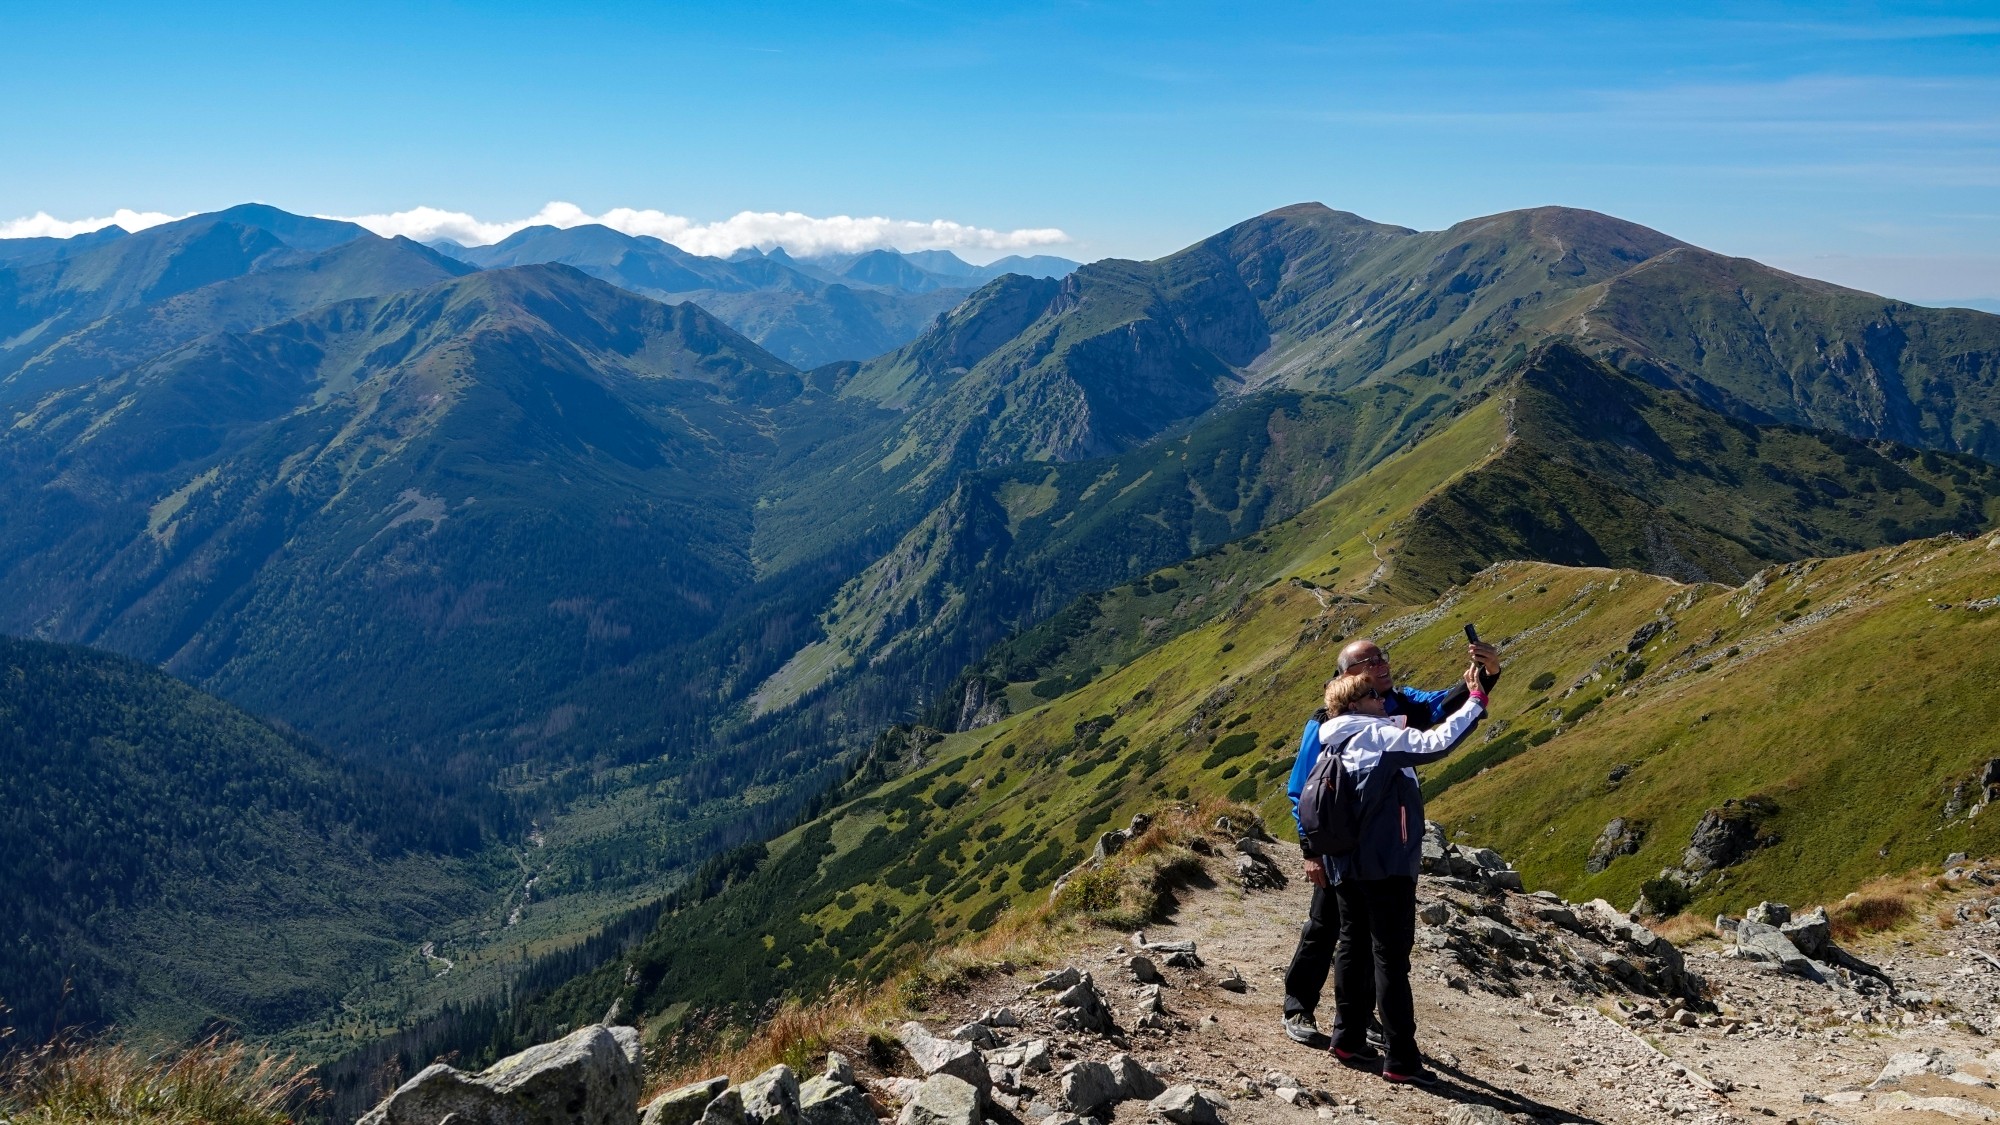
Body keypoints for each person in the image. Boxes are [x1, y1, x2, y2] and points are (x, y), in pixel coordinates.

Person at [1279, 637, 1499, 1047]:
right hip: (1341, 844)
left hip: (1380, 844)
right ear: (1346, 675)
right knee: (1327, 926)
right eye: (1368, 662)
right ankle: (1299, 1006)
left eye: (1382, 657)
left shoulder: (1396, 700)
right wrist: (1312, 850)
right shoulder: (1323, 720)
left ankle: (1358, 1018)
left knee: (1364, 937)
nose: (1380, 665)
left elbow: (1440, 706)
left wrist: (1486, 676)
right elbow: (1303, 791)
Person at [1319, 663, 1489, 1083]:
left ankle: (1347, 1038)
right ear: (1356, 703)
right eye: (1375, 696)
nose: (1384, 701)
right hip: (1387, 863)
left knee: (1352, 948)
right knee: (1391, 959)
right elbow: (1438, 742)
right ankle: (1401, 1059)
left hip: (1346, 863)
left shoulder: (1332, 743)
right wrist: (1476, 701)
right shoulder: (1376, 734)